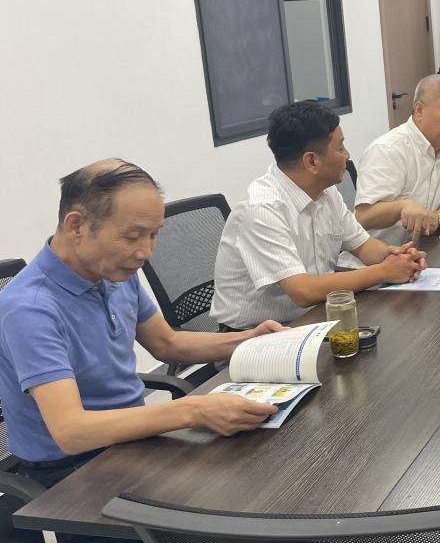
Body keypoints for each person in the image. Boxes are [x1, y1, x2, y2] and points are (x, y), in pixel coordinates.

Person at [0, 159, 287, 488]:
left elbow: (167, 343)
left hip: (133, 440)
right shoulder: (30, 307)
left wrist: (251, 339)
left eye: (153, 235)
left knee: (260, 468)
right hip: (71, 471)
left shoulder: (112, 272)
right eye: (133, 236)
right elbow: (71, 432)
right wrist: (195, 410)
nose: (145, 252)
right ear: (76, 225)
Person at [211, 101, 427, 330]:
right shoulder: (261, 210)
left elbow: (363, 246)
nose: (347, 155)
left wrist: (394, 256)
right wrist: (383, 271)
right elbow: (303, 291)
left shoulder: (326, 192)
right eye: (340, 148)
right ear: (311, 161)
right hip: (254, 335)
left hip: (314, 317)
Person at [352, 74, 440, 247]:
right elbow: (364, 216)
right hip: (377, 258)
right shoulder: (387, 150)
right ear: (419, 110)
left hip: (423, 250)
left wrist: (437, 219)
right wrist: (402, 207)